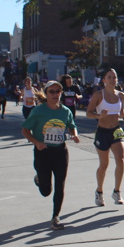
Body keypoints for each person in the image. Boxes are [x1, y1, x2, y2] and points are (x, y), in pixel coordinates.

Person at [21, 80, 80, 230]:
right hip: (43, 152)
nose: (55, 94)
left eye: (57, 91)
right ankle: (39, 179)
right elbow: (25, 130)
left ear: (61, 93)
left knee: (60, 184)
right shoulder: (38, 111)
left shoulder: (65, 111)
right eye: (51, 91)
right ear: (46, 94)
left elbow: (72, 126)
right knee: (46, 191)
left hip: (60, 151)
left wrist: (74, 134)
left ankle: (55, 217)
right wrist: (37, 143)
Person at [87, 69, 124, 206]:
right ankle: (99, 192)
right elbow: (88, 113)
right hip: (102, 131)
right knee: (104, 165)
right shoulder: (98, 95)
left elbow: (121, 111)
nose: (112, 80)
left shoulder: (121, 95)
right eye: (109, 77)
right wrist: (99, 116)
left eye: (114, 77)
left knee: (120, 159)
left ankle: (117, 191)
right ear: (104, 80)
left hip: (116, 130)